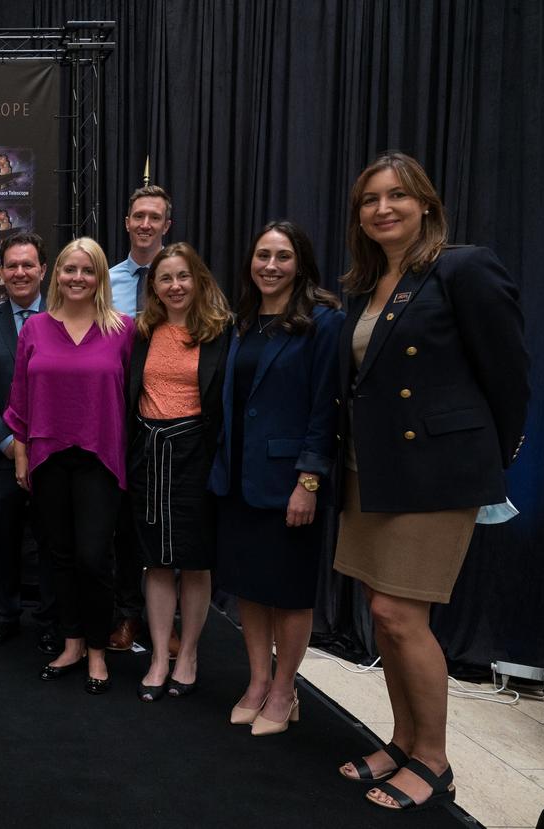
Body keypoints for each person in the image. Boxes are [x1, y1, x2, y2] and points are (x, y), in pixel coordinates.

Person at [332, 152, 528, 810]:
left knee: (399, 614)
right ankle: (402, 740)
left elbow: (509, 372)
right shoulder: (367, 283)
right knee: (382, 621)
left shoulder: (461, 267)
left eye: (397, 196)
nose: (383, 208)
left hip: (436, 474)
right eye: (370, 200)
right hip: (372, 471)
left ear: (426, 204)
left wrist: (485, 460)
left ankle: (435, 761)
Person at [209, 221, 343, 735]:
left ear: (301, 263)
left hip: (290, 483)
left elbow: (324, 409)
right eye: (262, 254)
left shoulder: (322, 323)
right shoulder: (241, 321)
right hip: (237, 478)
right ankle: (258, 682)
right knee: (249, 586)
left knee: (288, 591)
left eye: (282, 256)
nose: (270, 265)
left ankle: (286, 691)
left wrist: (308, 480)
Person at [5, 237, 133, 695]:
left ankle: (99, 649)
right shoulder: (35, 329)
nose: (77, 278)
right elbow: (19, 400)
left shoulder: (124, 330)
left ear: (100, 277)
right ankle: (73, 643)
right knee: (58, 555)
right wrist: (21, 455)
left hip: (101, 459)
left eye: (87, 270)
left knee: (93, 557)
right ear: (55, 275)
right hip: (47, 458)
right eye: (69, 269)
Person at [127, 243, 232, 702]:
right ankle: (158, 658)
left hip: (197, 456)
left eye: (183, 277)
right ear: (154, 286)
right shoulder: (141, 331)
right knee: (156, 560)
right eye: (165, 278)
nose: (175, 286)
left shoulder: (221, 332)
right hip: (149, 456)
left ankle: (187, 654)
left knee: (194, 559)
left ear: (199, 280)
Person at [0, 232, 58, 654]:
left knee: (55, 543)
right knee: (2, 543)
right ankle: (4, 616)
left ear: (43, 269)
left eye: (28, 264)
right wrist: (6, 443)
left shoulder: (65, 319)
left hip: (55, 457)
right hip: (1, 458)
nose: (20, 272)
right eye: (11, 266)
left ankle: (55, 620)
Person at [106, 185, 173, 652]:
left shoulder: (184, 278)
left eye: (155, 217)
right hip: (122, 420)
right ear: (127, 223)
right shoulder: (105, 282)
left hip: (174, 419)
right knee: (125, 526)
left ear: (167, 225)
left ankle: (167, 625)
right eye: (138, 216)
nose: (146, 224)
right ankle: (128, 615)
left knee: (169, 524)